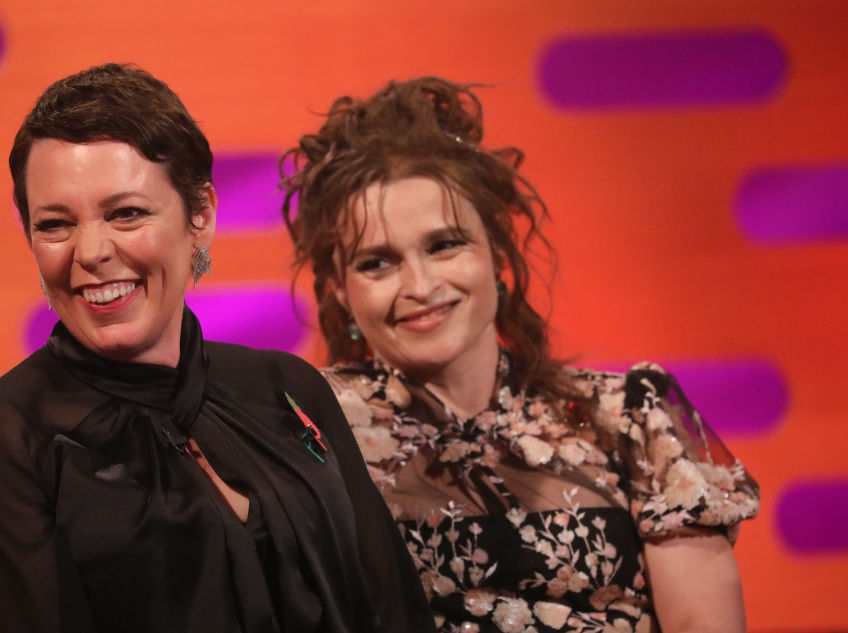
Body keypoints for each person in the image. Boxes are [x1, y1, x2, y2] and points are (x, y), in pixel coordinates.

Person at [0, 63, 435, 633]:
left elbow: (393, 609)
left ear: (200, 214)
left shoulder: (287, 387)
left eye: (126, 214)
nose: (91, 252)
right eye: (56, 224)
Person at [280, 77, 760, 633]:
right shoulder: (310, 434)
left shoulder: (630, 418)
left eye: (444, 245)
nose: (420, 285)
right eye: (377, 263)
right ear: (341, 290)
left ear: (496, 250)